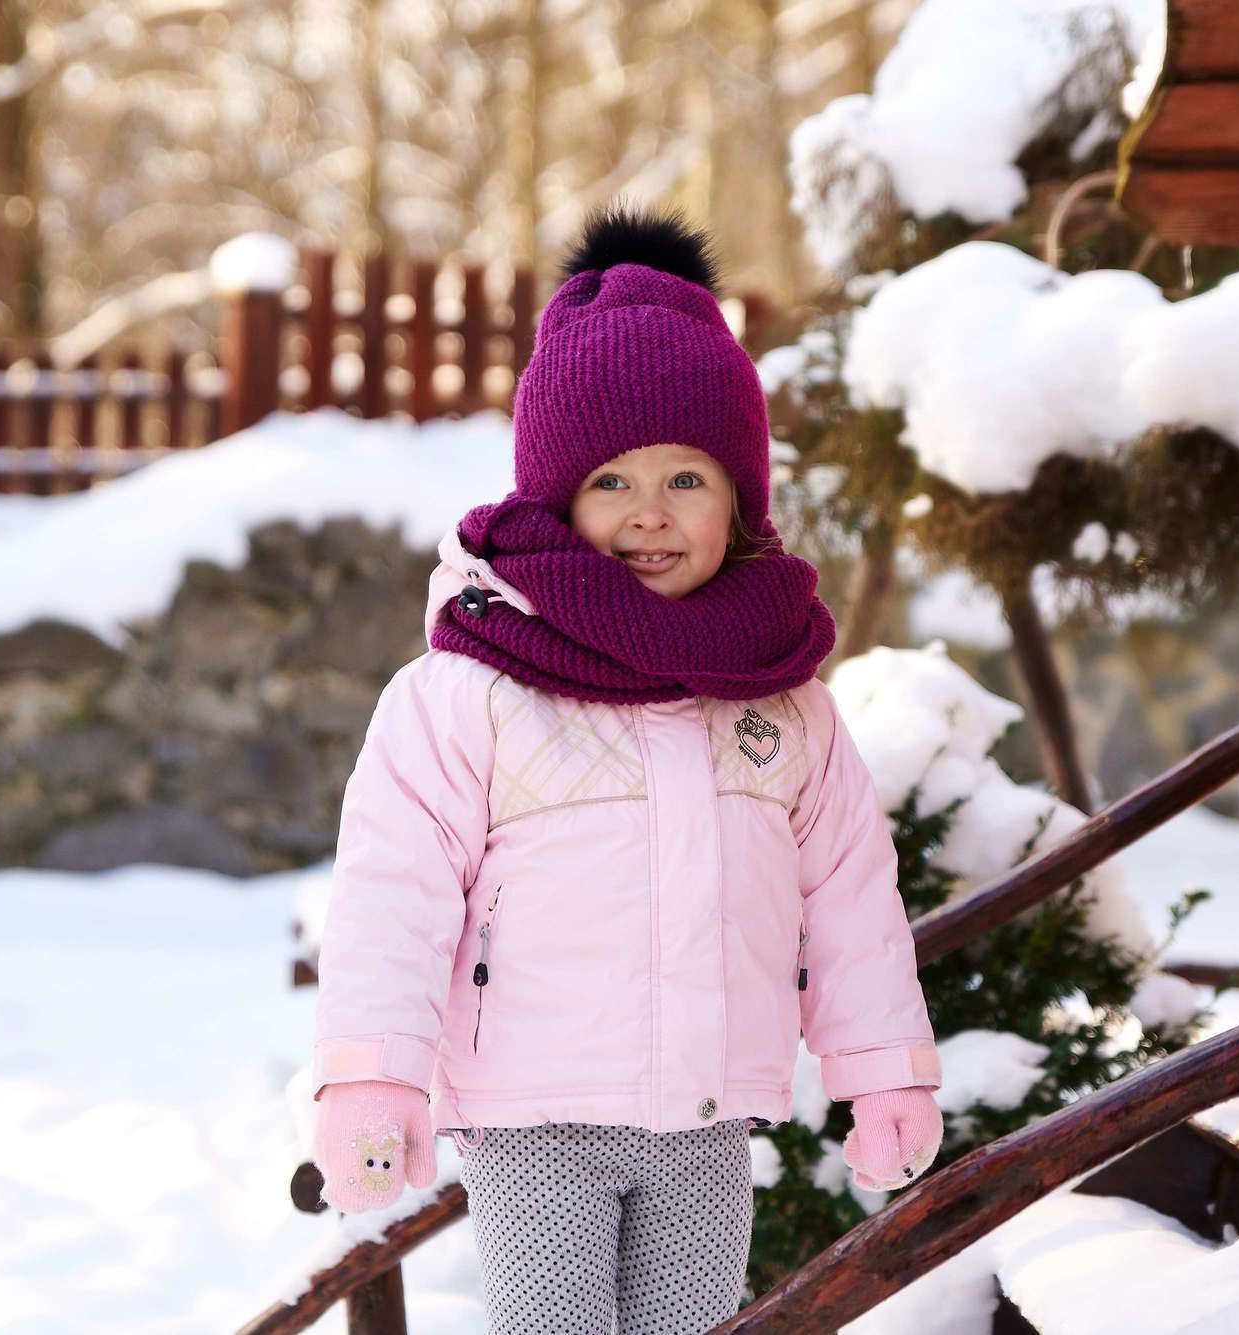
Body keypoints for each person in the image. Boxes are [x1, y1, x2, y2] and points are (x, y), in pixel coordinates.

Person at [309, 205, 942, 1334]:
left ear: (740, 495)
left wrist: (883, 1068)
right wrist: (372, 1074)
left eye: (687, 479)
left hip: (705, 1116)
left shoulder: (779, 696)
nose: (650, 514)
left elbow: (850, 898)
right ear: (554, 498)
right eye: (610, 482)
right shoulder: (470, 688)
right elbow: (391, 895)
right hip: (535, 1114)